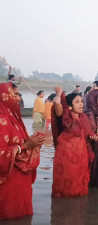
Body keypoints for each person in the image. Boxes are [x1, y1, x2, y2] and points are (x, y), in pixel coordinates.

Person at [0, 82, 43, 220]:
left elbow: (19, 143)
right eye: (16, 94)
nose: (19, 98)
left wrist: (33, 142)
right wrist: (26, 146)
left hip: (20, 181)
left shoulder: (13, 119)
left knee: (21, 216)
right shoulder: (2, 120)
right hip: (9, 182)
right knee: (9, 214)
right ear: (5, 96)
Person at [51, 88, 95, 198]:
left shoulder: (83, 117)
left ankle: (77, 207)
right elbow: (56, 102)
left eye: (81, 101)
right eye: (77, 102)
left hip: (81, 154)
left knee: (79, 182)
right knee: (66, 181)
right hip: (66, 155)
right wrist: (59, 92)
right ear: (69, 106)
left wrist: (92, 136)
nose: (81, 104)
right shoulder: (65, 116)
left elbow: (87, 133)